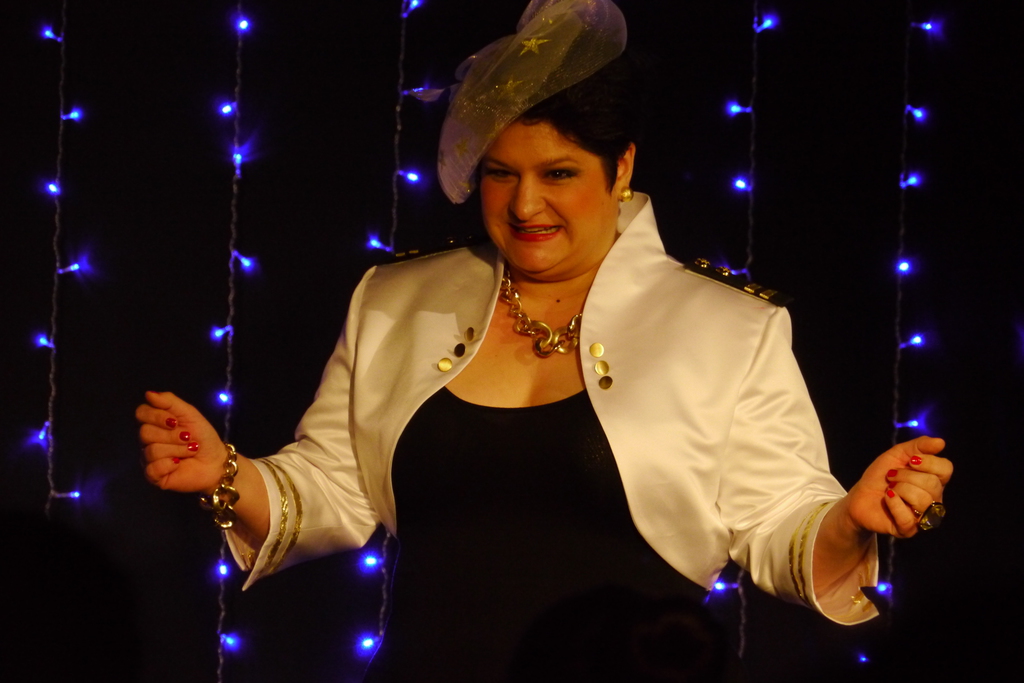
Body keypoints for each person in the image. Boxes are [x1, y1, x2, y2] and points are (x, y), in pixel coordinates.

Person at [136, 1, 952, 680]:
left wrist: (851, 519)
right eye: (501, 172)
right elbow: (333, 490)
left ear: (620, 168)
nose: (525, 205)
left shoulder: (729, 327)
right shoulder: (395, 299)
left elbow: (778, 524)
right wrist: (228, 474)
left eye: (558, 173)